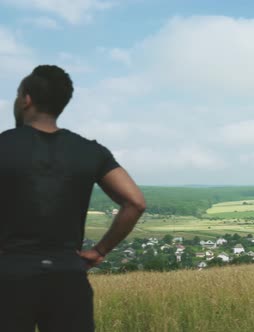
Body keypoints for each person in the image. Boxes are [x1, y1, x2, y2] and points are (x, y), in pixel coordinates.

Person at [0, 65, 146, 331]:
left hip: (9, 276)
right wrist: (100, 251)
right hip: (68, 277)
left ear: (26, 99)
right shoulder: (90, 151)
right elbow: (135, 202)